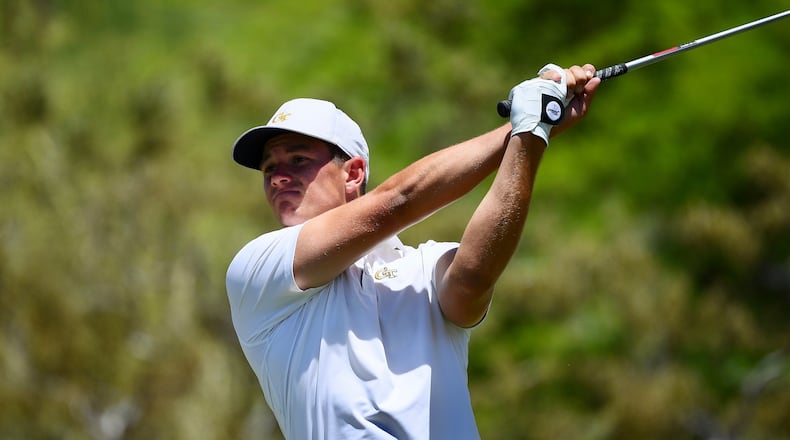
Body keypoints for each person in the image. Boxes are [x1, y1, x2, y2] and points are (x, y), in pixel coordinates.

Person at [226, 63, 600, 439]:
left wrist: (532, 132)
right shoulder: (257, 270)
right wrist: (527, 120)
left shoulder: (424, 265)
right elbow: (397, 202)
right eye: (269, 169)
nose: (278, 177)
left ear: (353, 174)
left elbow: (471, 282)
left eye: (298, 161)